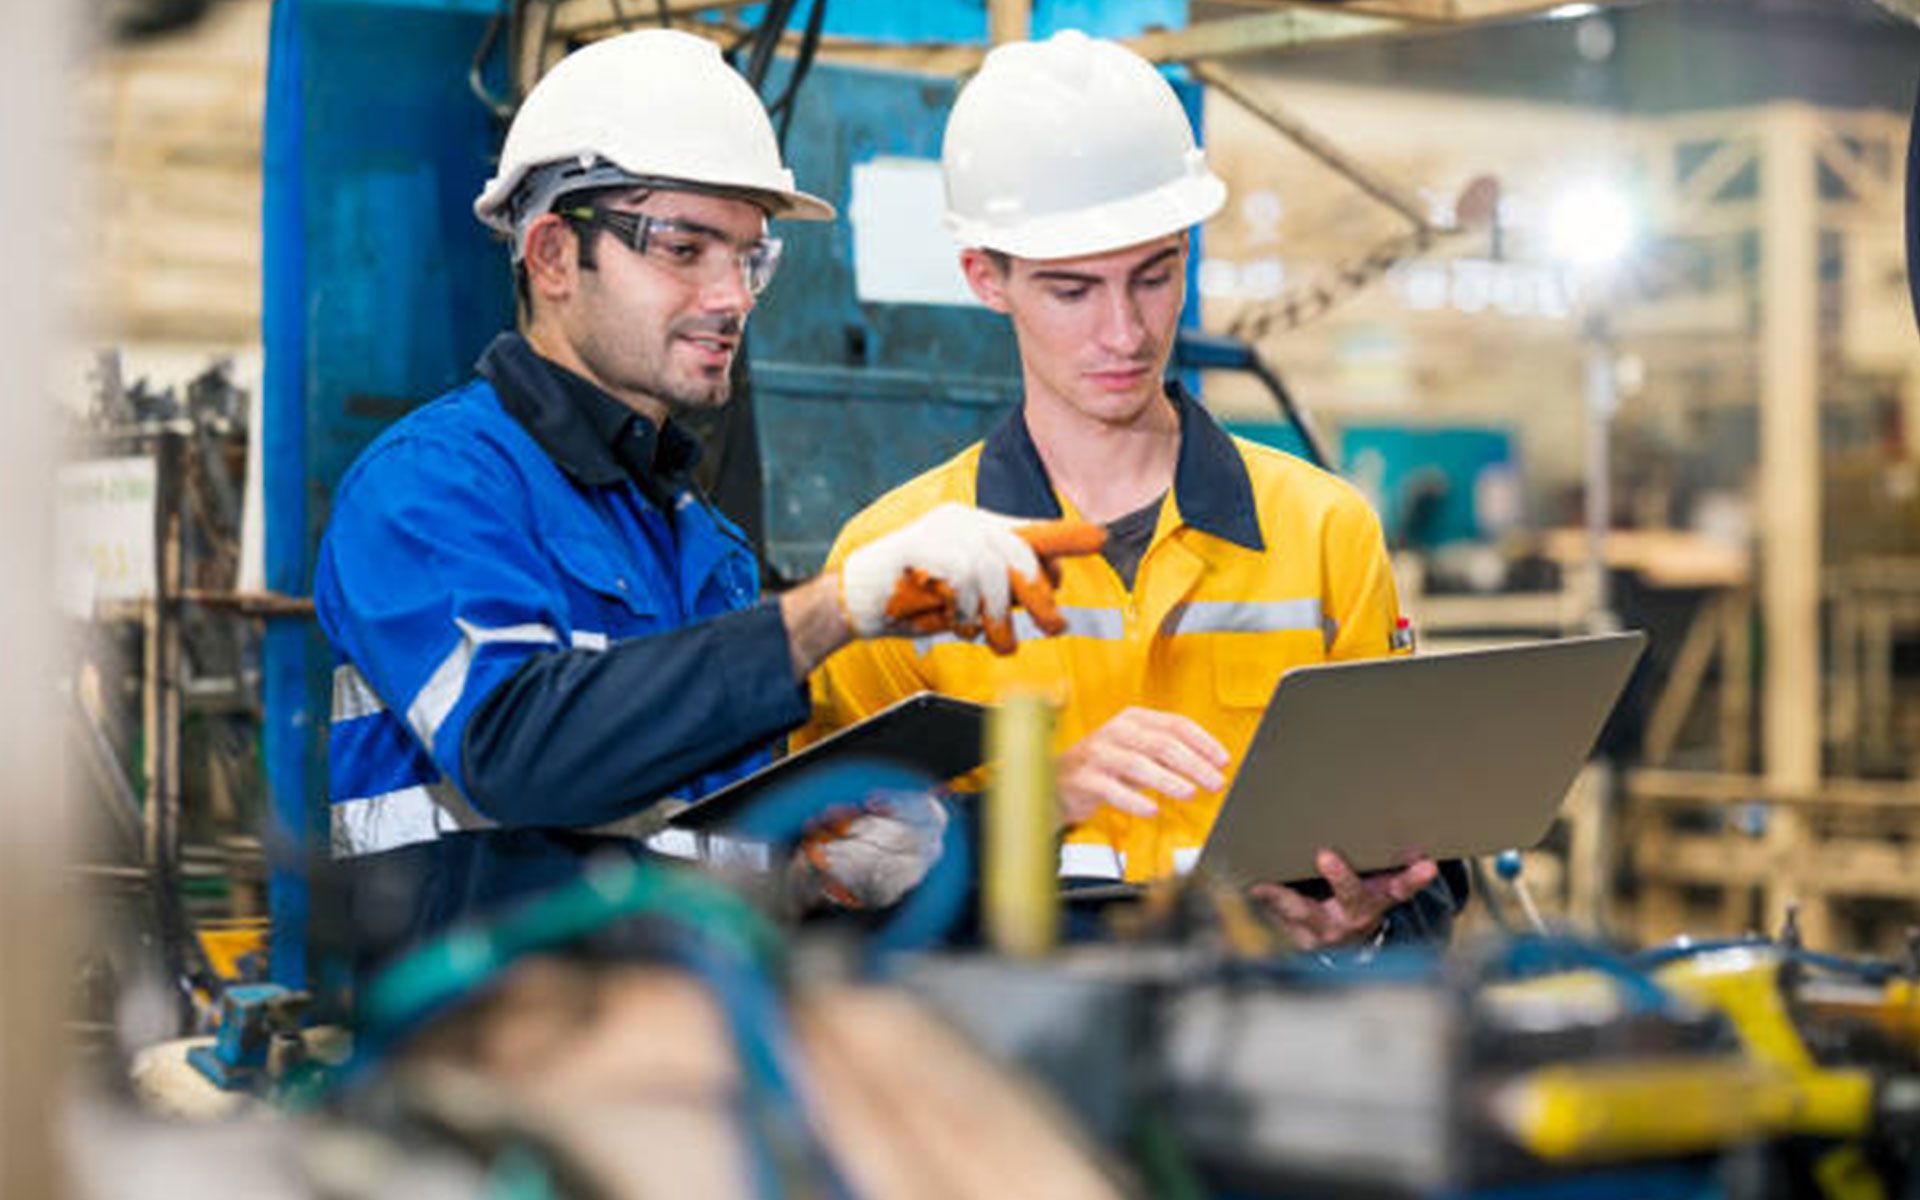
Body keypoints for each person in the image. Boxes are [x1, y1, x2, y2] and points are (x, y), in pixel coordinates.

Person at [314, 29, 1095, 954]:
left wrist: (820, 869)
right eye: (685, 248)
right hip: (480, 1057)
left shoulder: (705, 544)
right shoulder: (430, 487)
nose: (732, 297)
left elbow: (696, 847)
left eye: (751, 259)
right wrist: (830, 612)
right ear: (555, 255)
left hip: (691, 1045)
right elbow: (517, 755)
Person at [803, 30, 1461, 950]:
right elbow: (836, 889)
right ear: (985, 278)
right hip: (1007, 1058)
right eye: (1073, 292)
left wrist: (1359, 927)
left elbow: (1423, 851)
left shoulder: (1324, 531)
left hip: (1268, 1037)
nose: (1124, 332)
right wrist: (1044, 798)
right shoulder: (894, 560)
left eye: (1153, 278)